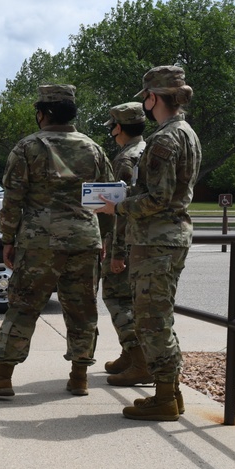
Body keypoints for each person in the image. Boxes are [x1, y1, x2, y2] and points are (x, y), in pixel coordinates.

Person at [0, 84, 115, 398]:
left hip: (39, 244)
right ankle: (79, 376)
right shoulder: (94, 149)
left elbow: (12, 199)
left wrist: (7, 240)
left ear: (45, 113)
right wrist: (103, 238)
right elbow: (109, 199)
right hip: (84, 241)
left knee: (22, 308)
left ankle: (3, 376)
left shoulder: (27, 148)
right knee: (83, 310)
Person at [96, 66, 201, 421]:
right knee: (158, 319)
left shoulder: (165, 138)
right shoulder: (185, 132)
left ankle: (165, 398)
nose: (144, 103)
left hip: (157, 241)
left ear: (153, 97)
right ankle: (169, 393)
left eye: (145, 97)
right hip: (167, 239)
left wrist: (119, 205)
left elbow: (158, 198)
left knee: (152, 322)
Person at [100, 102, 150, 384]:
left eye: (113, 129)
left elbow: (121, 208)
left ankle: (139, 359)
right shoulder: (147, 149)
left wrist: (116, 252)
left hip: (127, 240)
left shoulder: (125, 160)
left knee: (117, 298)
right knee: (133, 301)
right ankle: (130, 355)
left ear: (119, 128)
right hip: (143, 238)